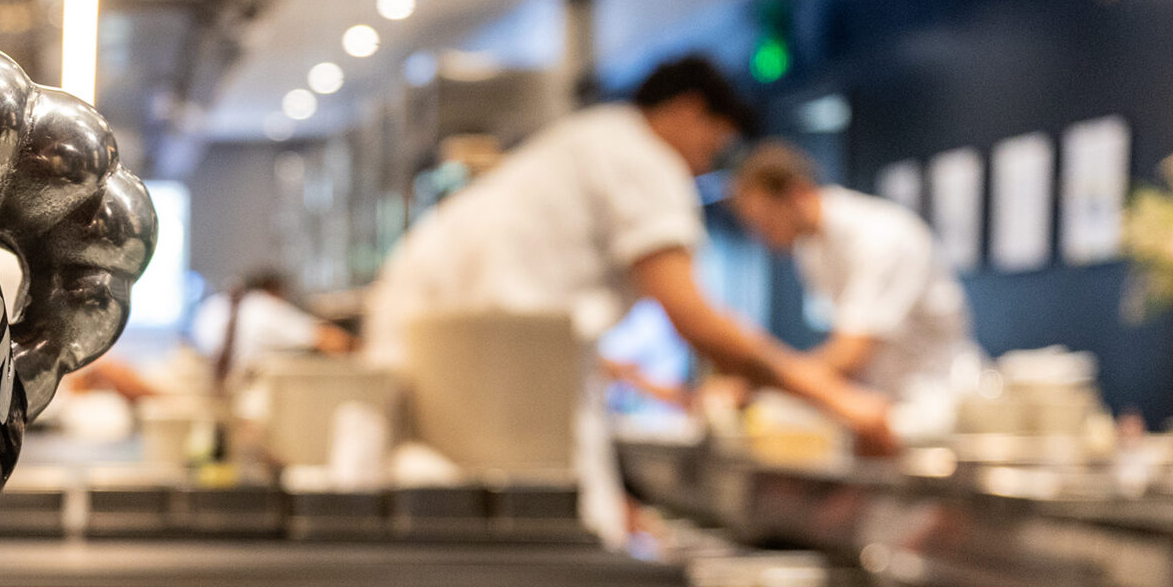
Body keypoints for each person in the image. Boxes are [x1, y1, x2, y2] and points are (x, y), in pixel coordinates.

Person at [365, 54, 896, 542]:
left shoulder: (593, 139)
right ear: (688, 110)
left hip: (439, 338)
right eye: (712, 146)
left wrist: (610, 493)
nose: (704, 166)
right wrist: (840, 402)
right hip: (484, 357)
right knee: (532, 543)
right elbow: (695, 318)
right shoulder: (644, 158)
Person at [727, 141, 982, 437]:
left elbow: (852, 351)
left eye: (765, 222)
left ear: (797, 193)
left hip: (939, 403)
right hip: (885, 399)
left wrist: (765, 383)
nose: (763, 238)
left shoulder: (882, 237)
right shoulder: (811, 251)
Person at [190, 269, 353, 390]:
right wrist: (360, 347)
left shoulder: (213, 306)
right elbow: (328, 338)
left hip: (213, 397)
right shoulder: (264, 309)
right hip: (247, 403)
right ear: (274, 293)